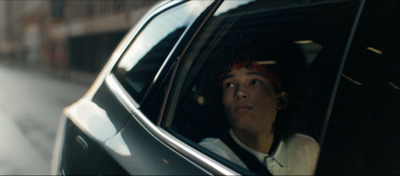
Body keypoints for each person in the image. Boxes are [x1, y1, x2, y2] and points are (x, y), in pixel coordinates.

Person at [198, 49, 320, 175]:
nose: (239, 93)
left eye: (254, 82)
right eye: (229, 85)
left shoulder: (306, 149)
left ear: (280, 100)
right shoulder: (208, 155)